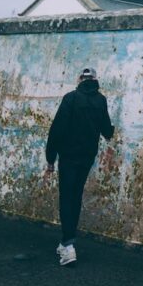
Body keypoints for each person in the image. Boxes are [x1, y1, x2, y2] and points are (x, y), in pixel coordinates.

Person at [44, 67, 114, 265]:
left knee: (67, 198)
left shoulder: (71, 98)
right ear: (95, 80)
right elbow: (107, 130)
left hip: (68, 157)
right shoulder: (101, 100)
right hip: (86, 158)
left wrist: (50, 158)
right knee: (75, 196)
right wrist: (109, 131)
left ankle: (68, 246)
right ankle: (66, 241)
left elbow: (56, 130)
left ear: (79, 80)